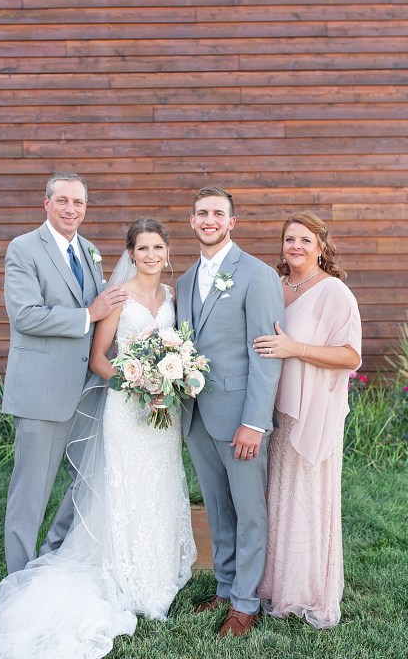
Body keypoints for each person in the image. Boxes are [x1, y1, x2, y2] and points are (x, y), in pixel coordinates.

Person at [0, 219, 196, 658]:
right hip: (128, 407)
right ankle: (119, 573)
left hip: (163, 413)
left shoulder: (172, 298)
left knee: (158, 486)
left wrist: (168, 384)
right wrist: (139, 384)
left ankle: (153, 572)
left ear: (168, 252)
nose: (151, 255)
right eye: (143, 248)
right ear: (130, 253)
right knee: (122, 487)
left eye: (157, 247)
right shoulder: (118, 297)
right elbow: (98, 359)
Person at [1, 172, 127, 575]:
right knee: (31, 493)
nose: (71, 209)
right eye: (63, 201)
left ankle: (53, 553)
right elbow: (25, 315)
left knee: (88, 480)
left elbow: (105, 309)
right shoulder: (23, 249)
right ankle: (20, 577)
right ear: (47, 204)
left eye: (78, 202)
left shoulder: (89, 250)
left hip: (87, 390)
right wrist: (89, 314)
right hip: (42, 391)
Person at [175, 187, 283, 638]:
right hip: (197, 415)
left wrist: (254, 422)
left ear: (231, 222)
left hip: (240, 416)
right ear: (192, 220)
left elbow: (266, 354)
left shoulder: (256, 274)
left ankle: (245, 602)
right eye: (202, 213)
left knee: (249, 510)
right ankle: (224, 587)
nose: (210, 220)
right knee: (217, 507)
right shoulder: (184, 281)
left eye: (218, 213)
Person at [253, 212, 362, 629]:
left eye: (304, 239)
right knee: (276, 496)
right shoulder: (274, 286)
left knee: (303, 497)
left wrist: (294, 348)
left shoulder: (334, 291)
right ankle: (272, 582)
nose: (295, 246)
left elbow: (350, 356)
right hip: (274, 410)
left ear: (320, 247)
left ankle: (304, 590)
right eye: (289, 239)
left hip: (313, 411)